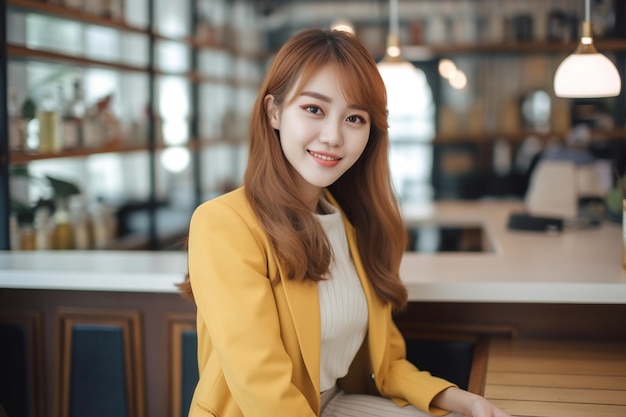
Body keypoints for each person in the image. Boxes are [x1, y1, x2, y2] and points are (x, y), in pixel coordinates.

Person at [179, 28, 511, 417]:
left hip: (336, 405)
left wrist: (464, 400)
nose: (333, 136)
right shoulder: (224, 224)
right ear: (273, 112)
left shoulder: (352, 225)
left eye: (354, 117)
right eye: (314, 109)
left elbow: (387, 365)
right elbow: (262, 387)